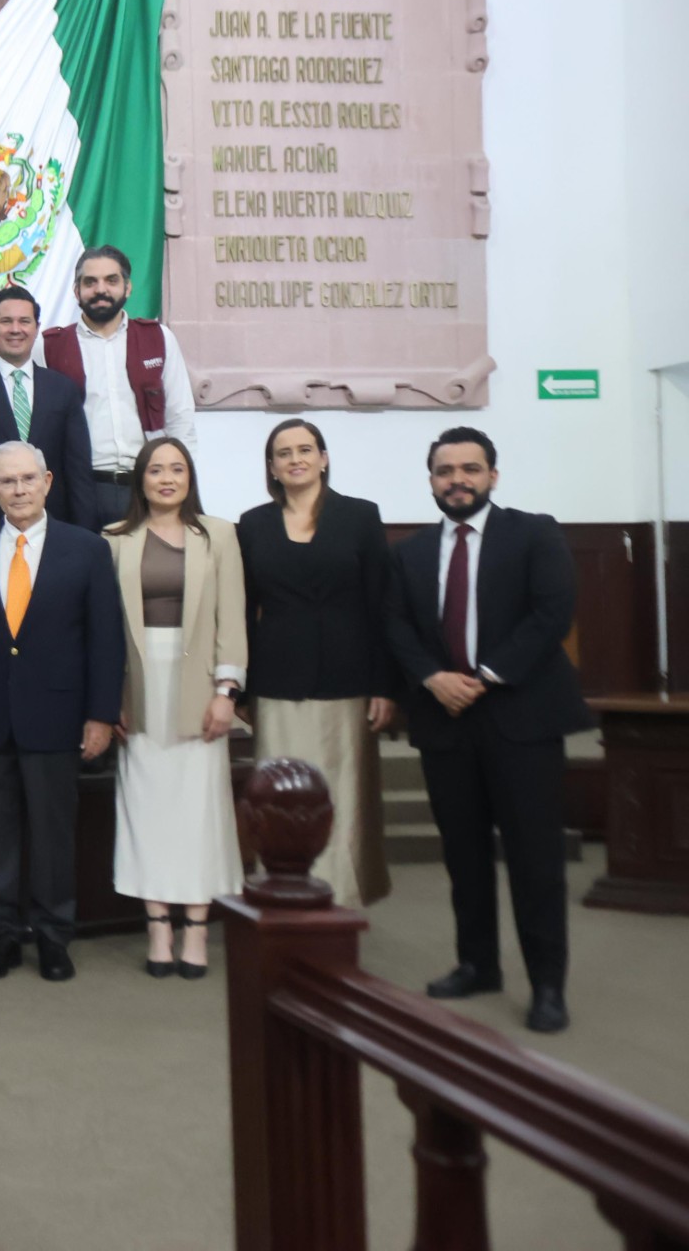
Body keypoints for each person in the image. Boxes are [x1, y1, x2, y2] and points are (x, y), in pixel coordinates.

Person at [385, 427, 592, 1035]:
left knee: (535, 858)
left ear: (492, 476)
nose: (458, 480)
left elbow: (552, 611)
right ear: (431, 482)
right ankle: (478, 964)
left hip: (522, 719)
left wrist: (485, 675)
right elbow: (396, 626)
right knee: (464, 855)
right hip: (445, 722)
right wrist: (431, 678)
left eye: (470, 469)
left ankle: (547, 984)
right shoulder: (411, 553)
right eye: (445, 471)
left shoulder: (534, 533)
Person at [0, 441, 123, 981]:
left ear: (48, 481)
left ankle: (53, 937)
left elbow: (106, 640)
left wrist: (100, 714)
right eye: (8, 481)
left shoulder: (86, 549)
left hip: (58, 718)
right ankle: (2, 936)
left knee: (52, 836)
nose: (19, 489)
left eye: (28, 479)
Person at [237, 418, 397, 909]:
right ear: (272, 467)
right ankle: (282, 895)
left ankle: (342, 898)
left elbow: (382, 606)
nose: (295, 459)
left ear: (324, 458)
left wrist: (385, 686)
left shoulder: (361, 517)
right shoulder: (253, 524)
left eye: (305, 449)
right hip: (277, 680)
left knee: (343, 795)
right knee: (278, 796)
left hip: (348, 678)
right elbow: (242, 610)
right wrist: (240, 689)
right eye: (284, 453)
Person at [104, 438, 247, 980]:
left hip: (200, 685)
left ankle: (196, 927)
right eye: (156, 469)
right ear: (139, 479)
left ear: (191, 476)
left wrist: (225, 692)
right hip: (138, 688)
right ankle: (158, 925)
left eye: (177, 468)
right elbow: (109, 630)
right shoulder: (115, 540)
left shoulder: (220, 536)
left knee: (199, 808)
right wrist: (109, 696)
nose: (167, 478)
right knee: (147, 807)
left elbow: (231, 619)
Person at [40, 245, 197, 527]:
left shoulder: (158, 338)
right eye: (90, 282)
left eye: (111, 280)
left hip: (147, 484)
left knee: (148, 570)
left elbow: (180, 417)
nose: (101, 289)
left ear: (127, 288)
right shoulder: (49, 346)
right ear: (76, 291)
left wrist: (184, 484)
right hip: (80, 486)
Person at [0, 285, 96, 535]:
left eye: (24, 321)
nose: (15, 329)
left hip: (55, 527)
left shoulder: (63, 389)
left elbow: (78, 469)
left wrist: (84, 531)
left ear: (36, 328)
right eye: (6, 321)